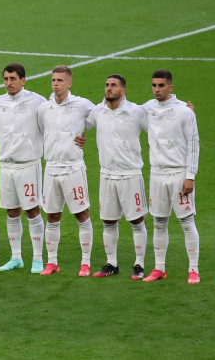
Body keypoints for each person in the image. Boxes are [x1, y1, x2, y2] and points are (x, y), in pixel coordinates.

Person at [85, 74, 149, 280]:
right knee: (108, 220)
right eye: (106, 85)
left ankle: (139, 264)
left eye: (113, 85)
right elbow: (77, 122)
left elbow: (158, 123)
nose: (108, 88)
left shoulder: (136, 112)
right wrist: (79, 136)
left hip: (130, 175)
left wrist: (186, 108)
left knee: (137, 220)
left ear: (123, 91)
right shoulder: (98, 111)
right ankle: (111, 263)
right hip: (107, 175)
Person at [142, 69, 201, 284]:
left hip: (178, 173)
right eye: (154, 85)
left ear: (170, 87)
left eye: (161, 85)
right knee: (159, 222)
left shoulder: (185, 112)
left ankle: (193, 269)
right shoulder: (147, 108)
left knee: (186, 221)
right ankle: (159, 268)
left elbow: (193, 145)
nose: (157, 89)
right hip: (157, 173)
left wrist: (190, 175)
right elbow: (126, 113)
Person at [36, 65, 96, 277]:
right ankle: (52, 262)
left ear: (69, 83)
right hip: (51, 168)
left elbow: (104, 117)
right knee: (52, 216)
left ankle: (86, 262)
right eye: (53, 80)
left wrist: (83, 136)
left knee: (81, 214)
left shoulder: (82, 105)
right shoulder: (44, 108)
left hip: (73, 168)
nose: (55, 84)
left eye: (60, 80)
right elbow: (41, 130)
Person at [0, 63, 47, 273]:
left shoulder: (37, 102)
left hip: (28, 165)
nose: (8, 83)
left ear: (23, 80)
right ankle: (16, 258)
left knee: (32, 211)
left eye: (13, 79)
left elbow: (49, 124)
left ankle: (38, 259)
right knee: (11, 212)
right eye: (6, 79)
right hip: (6, 165)